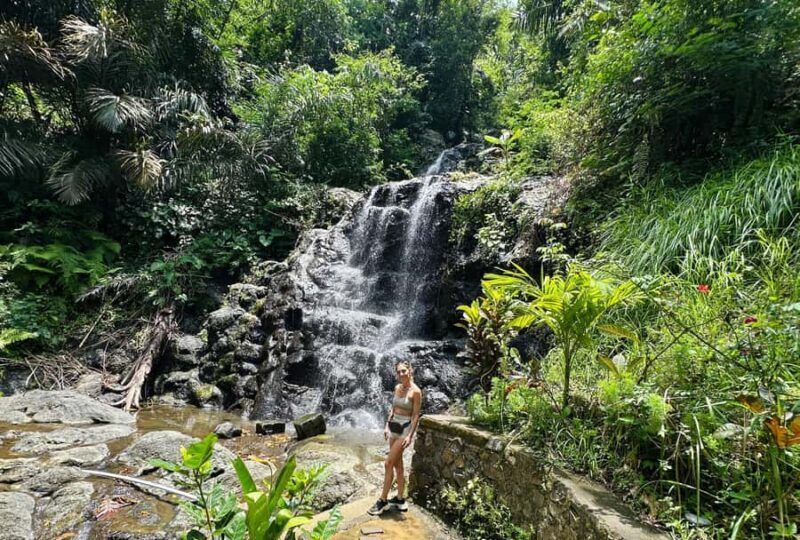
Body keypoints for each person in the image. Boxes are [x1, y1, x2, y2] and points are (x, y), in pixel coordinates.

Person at [367, 360, 422, 515]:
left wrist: (410, 436)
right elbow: (393, 408)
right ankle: (400, 498)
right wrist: (386, 425)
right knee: (398, 465)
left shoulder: (416, 392)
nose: (401, 374)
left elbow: (416, 415)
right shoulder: (397, 388)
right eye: (398, 372)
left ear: (410, 370)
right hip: (393, 427)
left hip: (404, 430)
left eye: (403, 371)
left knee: (388, 463)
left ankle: (383, 500)